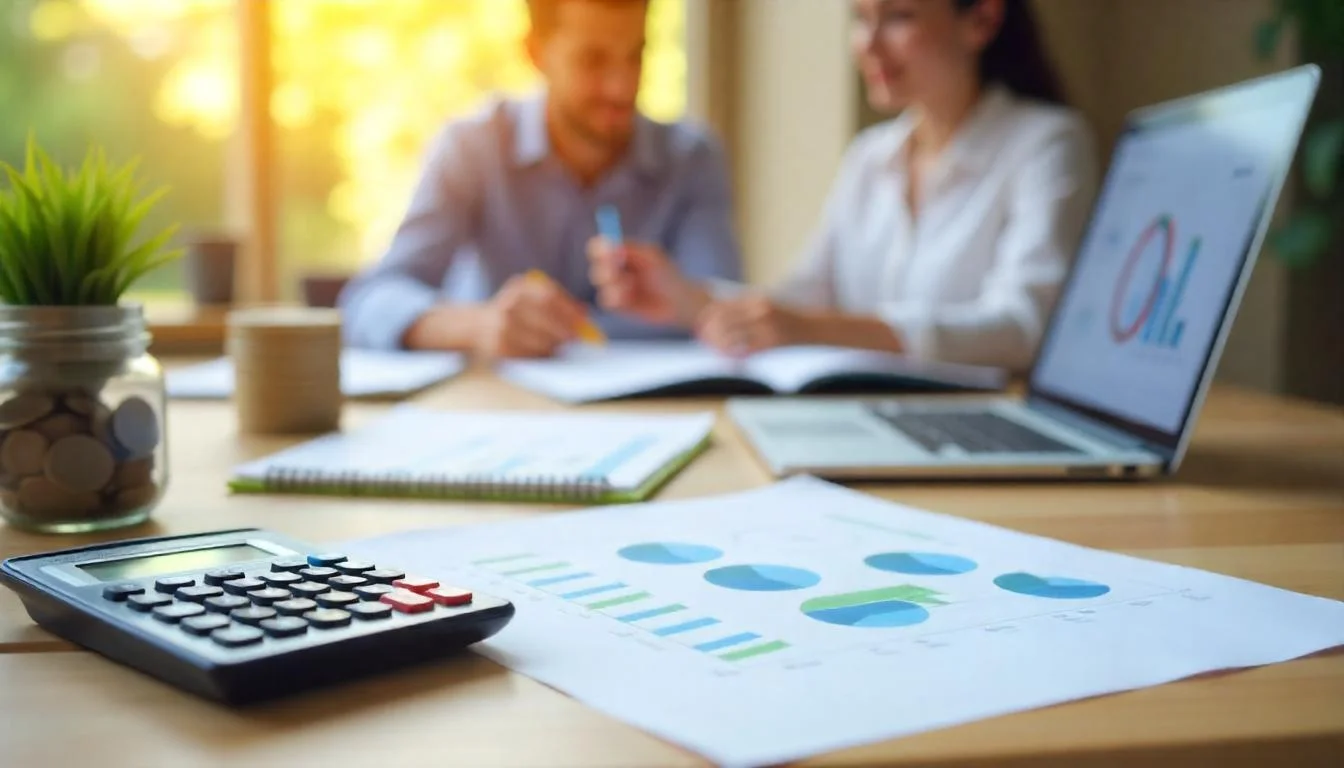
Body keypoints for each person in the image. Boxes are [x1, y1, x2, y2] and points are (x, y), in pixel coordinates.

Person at [589, 0, 1099, 372]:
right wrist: (686, 298)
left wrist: (811, 328)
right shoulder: (870, 157)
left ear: (982, 18)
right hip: (869, 414)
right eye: (860, 18)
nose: (869, 45)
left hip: (981, 427)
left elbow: (1023, 329)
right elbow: (799, 301)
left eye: (898, 17)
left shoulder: (1047, 144)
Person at [338, 0, 742, 358]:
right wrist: (480, 325)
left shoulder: (691, 158)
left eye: (636, 56)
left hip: (658, 410)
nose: (621, 87)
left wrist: (690, 301)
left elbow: (734, 311)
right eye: (593, 60)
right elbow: (368, 303)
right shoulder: (473, 147)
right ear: (536, 53)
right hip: (497, 406)